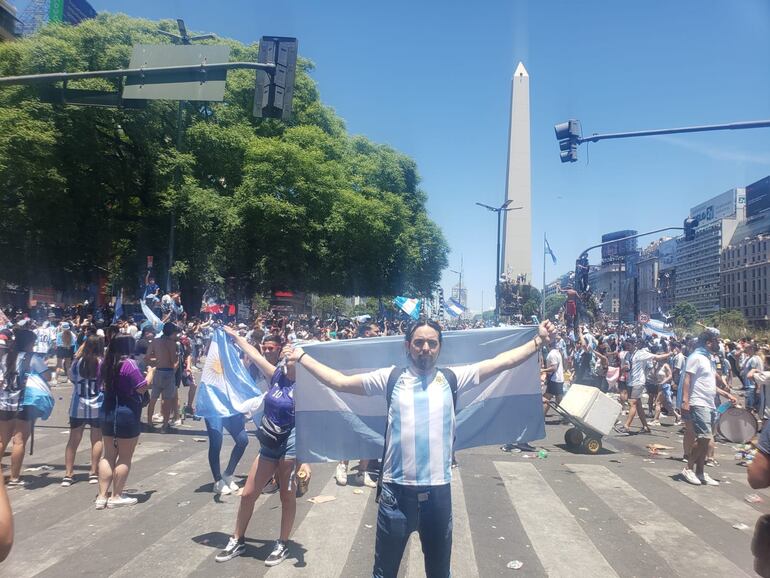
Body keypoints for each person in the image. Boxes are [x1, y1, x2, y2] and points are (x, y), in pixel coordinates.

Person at [287, 318, 556, 578]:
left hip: (438, 494)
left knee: (439, 573)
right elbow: (339, 382)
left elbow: (501, 363)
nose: (425, 348)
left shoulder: (452, 379)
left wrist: (538, 341)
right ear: (407, 346)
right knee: (384, 573)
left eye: (431, 343)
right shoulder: (390, 378)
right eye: (418, 343)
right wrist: (301, 357)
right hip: (395, 495)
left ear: (439, 347)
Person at [215, 326, 300, 567]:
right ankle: (237, 538)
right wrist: (237, 337)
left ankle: (282, 542)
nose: (285, 362)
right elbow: (254, 355)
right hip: (269, 443)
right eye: (285, 358)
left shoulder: (307, 387)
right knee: (249, 493)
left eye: (289, 359)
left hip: (291, 445)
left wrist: (306, 461)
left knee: (286, 496)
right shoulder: (277, 376)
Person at [680, 329, 737, 486]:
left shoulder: (709, 359)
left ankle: (700, 472)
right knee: (704, 437)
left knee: (706, 440)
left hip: (710, 403)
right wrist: (685, 401)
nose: (719, 343)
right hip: (698, 402)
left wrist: (727, 395)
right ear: (709, 342)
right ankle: (688, 468)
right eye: (717, 341)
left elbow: (710, 384)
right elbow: (687, 379)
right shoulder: (696, 358)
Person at [97, 334, 147, 509]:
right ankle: (116, 495)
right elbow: (141, 388)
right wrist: (151, 375)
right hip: (126, 413)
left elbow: (99, 384)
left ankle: (102, 495)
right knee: (125, 456)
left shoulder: (104, 363)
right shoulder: (130, 365)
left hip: (107, 411)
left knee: (108, 454)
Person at [0, 327, 51, 486]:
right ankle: (15, 477)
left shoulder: (6, 357)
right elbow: (47, 376)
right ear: (29, 343)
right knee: (19, 441)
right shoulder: (33, 358)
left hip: (5, 402)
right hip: (25, 403)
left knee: (2, 440)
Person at [62, 335, 103, 487]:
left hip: (78, 405)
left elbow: (72, 377)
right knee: (96, 439)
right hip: (97, 405)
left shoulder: (77, 362)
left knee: (73, 440)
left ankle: (68, 473)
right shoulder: (101, 362)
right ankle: (93, 472)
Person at [618, 338, 670, 434]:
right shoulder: (627, 355)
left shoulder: (641, 353)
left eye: (629, 345)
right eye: (626, 346)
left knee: (632, 403)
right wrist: (624, 369)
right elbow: (625, 366)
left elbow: (656, 357)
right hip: (630, 381)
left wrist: (670, 354)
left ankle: (626, 426)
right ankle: (645, 427)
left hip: (638, 382)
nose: (627, 348)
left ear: (634, 344)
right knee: (638, 405)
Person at [146, 322, 180, 432]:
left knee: (153, 398)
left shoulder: (155, 342)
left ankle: (149, 422)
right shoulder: (172, 344)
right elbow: (173, 360)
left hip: (158, 371)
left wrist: (156, 360)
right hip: (168, 372)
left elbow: (147, 357)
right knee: (167, 400)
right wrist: (178, 359)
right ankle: (165, 425)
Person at [542, 339, 565, 415]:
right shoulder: (557, 352)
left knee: (546, 398)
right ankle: (566, 417)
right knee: (558, 400)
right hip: (558, 379)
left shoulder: (552, 354)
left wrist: (542, 370)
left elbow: (554, 368)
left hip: (554, 379)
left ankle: (541, 417)